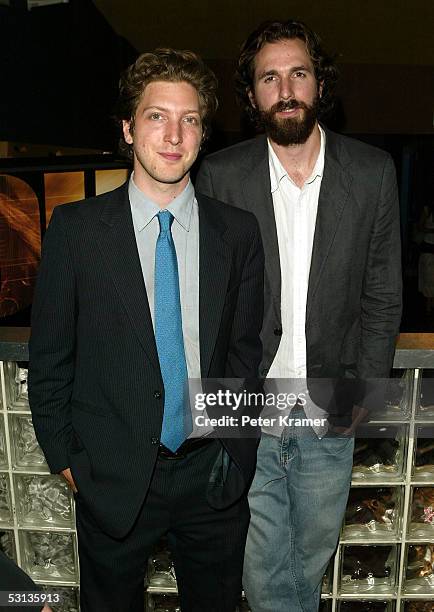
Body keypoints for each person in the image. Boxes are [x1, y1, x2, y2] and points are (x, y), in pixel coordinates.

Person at [28, 48, 264, 612]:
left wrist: (238, 449)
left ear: (203, 134)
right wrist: (68, 457)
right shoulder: (77, 229)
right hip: (110, 477)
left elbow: (245, 349)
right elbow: (51, 353)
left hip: (212, 473)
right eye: (157, 116)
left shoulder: (236, 232)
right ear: (129, 129)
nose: (173, 134)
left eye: (190, 119)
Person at [196, 19, 402, 612]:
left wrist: (367, 389)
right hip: (247, 403)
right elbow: (211, 302)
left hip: (332, 400)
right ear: (253, 95)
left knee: (312, 551)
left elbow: (383, 295)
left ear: (319, 83)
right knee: (259, 559)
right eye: (269, 77)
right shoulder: (222, 175)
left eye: (299, 73)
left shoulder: (371, 173)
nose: (286, 89)